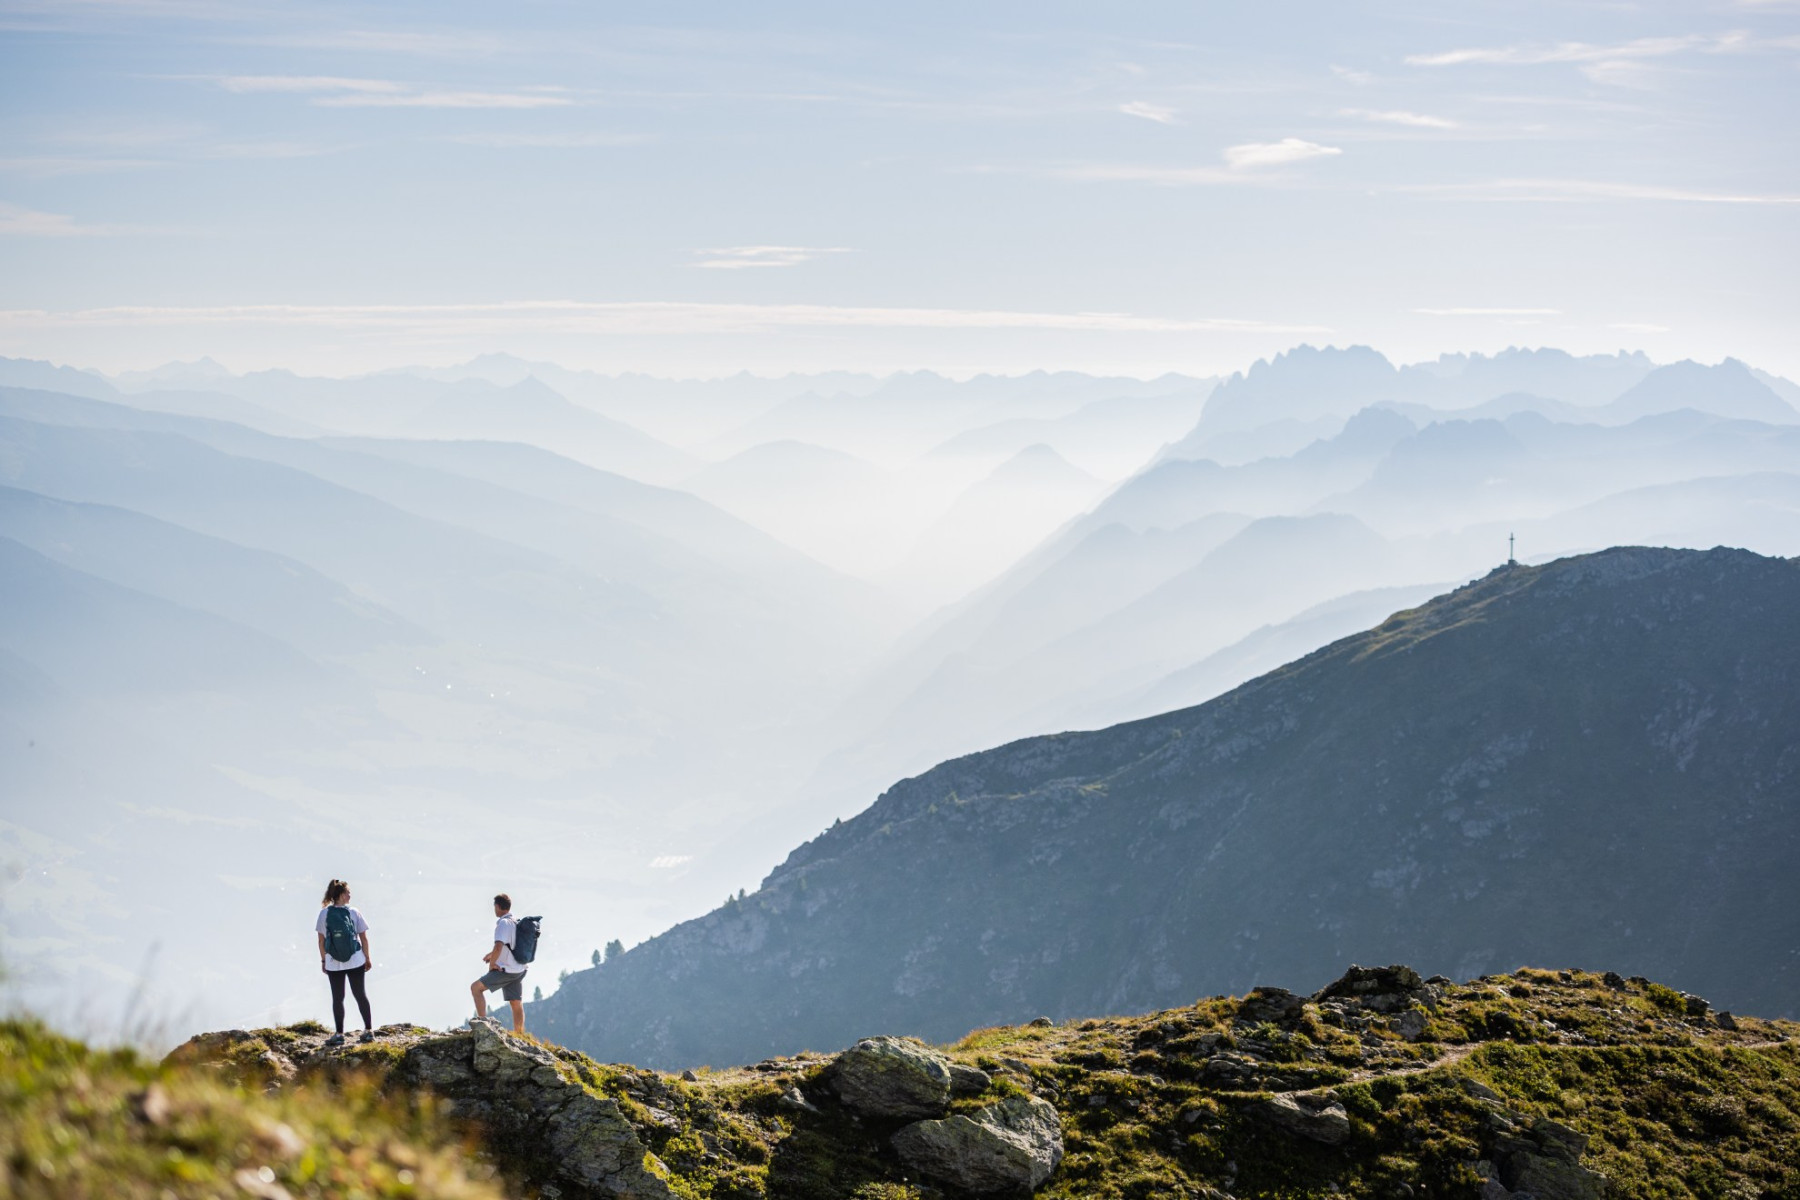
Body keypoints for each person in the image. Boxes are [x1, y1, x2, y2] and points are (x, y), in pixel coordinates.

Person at [315, 879, 374, 1045]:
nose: (350, 895)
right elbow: (363, 937)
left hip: (334, 962)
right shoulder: (354, 912)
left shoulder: (324, 914)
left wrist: (324, 960)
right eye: (348, 892)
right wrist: (367, 957)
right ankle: (369, 1031)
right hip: (356, 960)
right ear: (341, 895)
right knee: (360, 995)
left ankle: (339, 1035)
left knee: (338, 998)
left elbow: (321, 940)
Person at [471, 892, 528, 1033]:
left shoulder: (503, 923)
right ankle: (519, 1033)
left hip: (507, 971)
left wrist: (492, 965)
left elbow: (498, 946)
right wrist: (492, 955)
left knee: (476, 988)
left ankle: (482, 1026)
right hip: (520, 968)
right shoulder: (516, 921)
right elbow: (510, 945)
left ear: (497, 906)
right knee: (515, 1002)